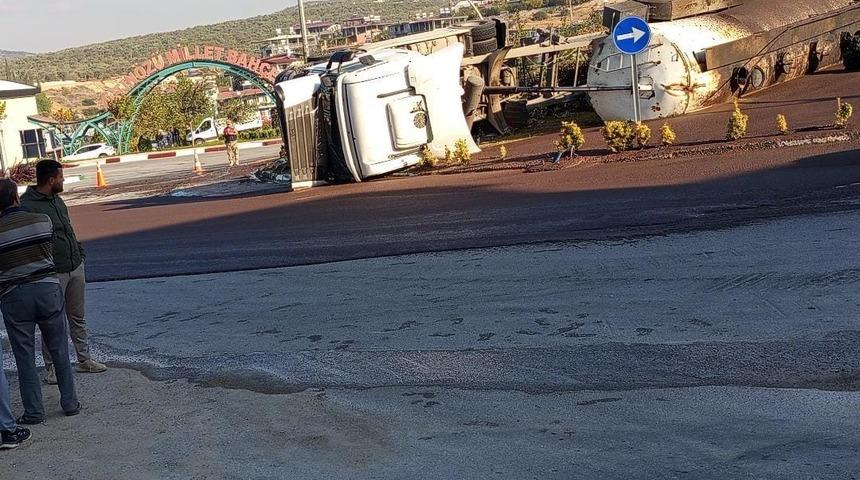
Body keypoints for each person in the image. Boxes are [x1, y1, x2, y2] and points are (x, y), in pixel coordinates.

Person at [0, 179, 80, 425]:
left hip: (14, 296)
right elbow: (49, 251)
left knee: (24, 357)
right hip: (47, 289)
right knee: (58, 350)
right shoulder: (41, 221)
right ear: (16, 197)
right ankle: (69, 403)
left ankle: (34, 412)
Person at [21, 160, 107, 385]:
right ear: (50, 180)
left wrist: (79, 253)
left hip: (74, 266)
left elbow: (68, 229)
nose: (63, 181)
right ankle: (51, 369)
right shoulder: (28, 206)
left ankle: (84, 360)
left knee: (77, 318)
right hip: (52, 272)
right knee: (52, 321)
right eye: (60, 177)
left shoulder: (57, 201)